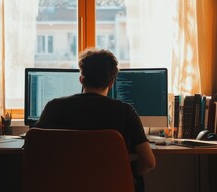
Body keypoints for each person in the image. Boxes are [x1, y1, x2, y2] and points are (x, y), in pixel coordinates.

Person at [36, 48, 156, 191]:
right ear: (111, 82)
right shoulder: (125, 112)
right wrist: (127, 171)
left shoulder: (53, 107)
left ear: (81, 79)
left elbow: (35, 148)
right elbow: (149, 162)